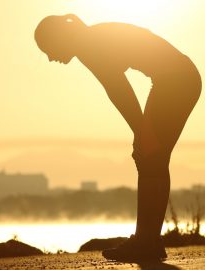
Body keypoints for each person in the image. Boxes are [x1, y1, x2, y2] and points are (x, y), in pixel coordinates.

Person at [35, 14, 201, 262]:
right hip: (179, 78)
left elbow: (119, 90)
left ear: (60, 38)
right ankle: (149, 241)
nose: (50, 57)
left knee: (151, 157)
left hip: (177, 81)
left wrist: (142, 132)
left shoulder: (87, 44)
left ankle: (147, 242)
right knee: (152, 158)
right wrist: (142, 132)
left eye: (48, 49)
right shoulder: (88, 38)